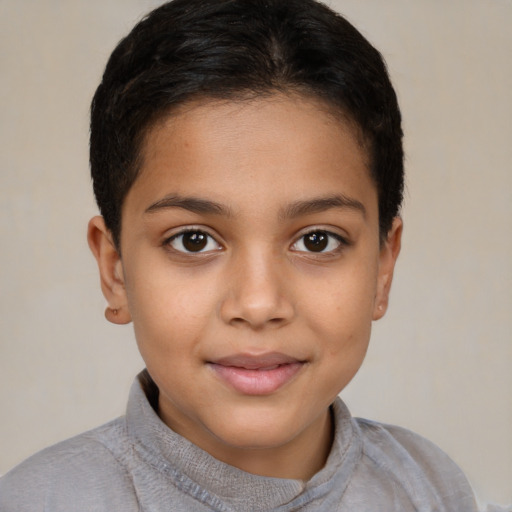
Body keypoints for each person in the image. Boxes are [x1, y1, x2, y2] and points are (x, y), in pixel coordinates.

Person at [0, 0, 486, 510]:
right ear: (115, 270)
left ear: (382, 269)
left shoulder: (433, 489)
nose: (258, 304)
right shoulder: (35, 500)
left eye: (317, 240)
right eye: (193, 240)